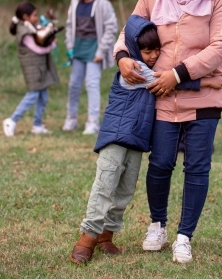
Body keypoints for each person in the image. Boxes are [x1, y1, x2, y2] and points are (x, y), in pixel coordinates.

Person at [114, 0, 222, 263]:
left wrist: (178, 74)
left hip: (204, 95)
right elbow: (129, 31)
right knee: (161, 162)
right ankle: (158, 225)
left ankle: (185, 236)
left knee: (197, 165)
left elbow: (220, 47)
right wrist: (122, 57)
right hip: (163, 97)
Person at [69, 14, 200, 265]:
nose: (151, 56)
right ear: (133, 48)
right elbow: (166, 82)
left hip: (136, 142)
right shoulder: (135, 69)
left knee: (125, 191)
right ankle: (87, 238)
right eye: (146, 50)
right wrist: (207, 81)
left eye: (156, 50)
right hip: (116, 139)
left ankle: (106, 236)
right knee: (105, 186)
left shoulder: (144, 66)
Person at [62, 0, 118, 134]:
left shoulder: (103, 4)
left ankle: (93, 122)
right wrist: (69, 46)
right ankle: (71, 119)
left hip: (94, 52)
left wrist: (101, 51)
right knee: (74, 85)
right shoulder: (74, 3)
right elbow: (69, 25)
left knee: (92, 84)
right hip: (77, 51)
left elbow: (111, 28)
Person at [3, 2, 59, 136]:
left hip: (39, 67)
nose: (36, 17)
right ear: (25, 16)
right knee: (33, 95)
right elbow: (38, 49)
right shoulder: (24, 32)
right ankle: (11, 120)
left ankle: (37, 125)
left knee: (43, 97)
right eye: (34, 15)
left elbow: (41, 30)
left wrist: (50, 24)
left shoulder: (29, 26)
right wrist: (52, 45)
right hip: (33, 69)